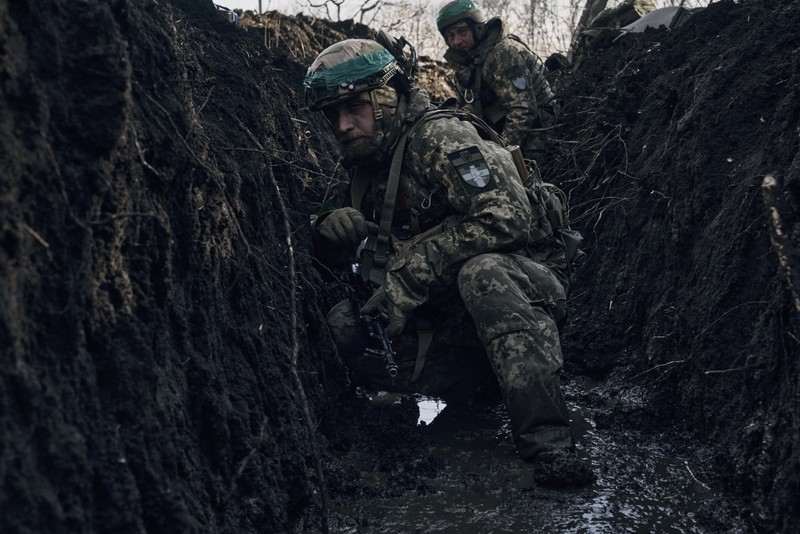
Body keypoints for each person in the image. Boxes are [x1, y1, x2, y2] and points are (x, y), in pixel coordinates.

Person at [303, 37, 593, 486]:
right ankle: (477, 385)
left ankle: (549, 444)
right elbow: (327, 228)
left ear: (386, 98)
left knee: (485, 273)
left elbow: (507, 217)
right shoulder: (366, 157)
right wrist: (327, 226)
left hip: (526, 288)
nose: (343, 125)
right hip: (452, 314)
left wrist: (407, 276)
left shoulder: (438, 137)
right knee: (345, 325)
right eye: (332, 116)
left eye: (354, 108)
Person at [436, 0, 558, 164]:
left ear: (477, 28)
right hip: (503, 131)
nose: (457, 41)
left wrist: (500, 154)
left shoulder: (502, 53)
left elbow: (523, 108)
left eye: (462, 32)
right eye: (451, 36)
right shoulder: (466, 67)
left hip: (540, 129)